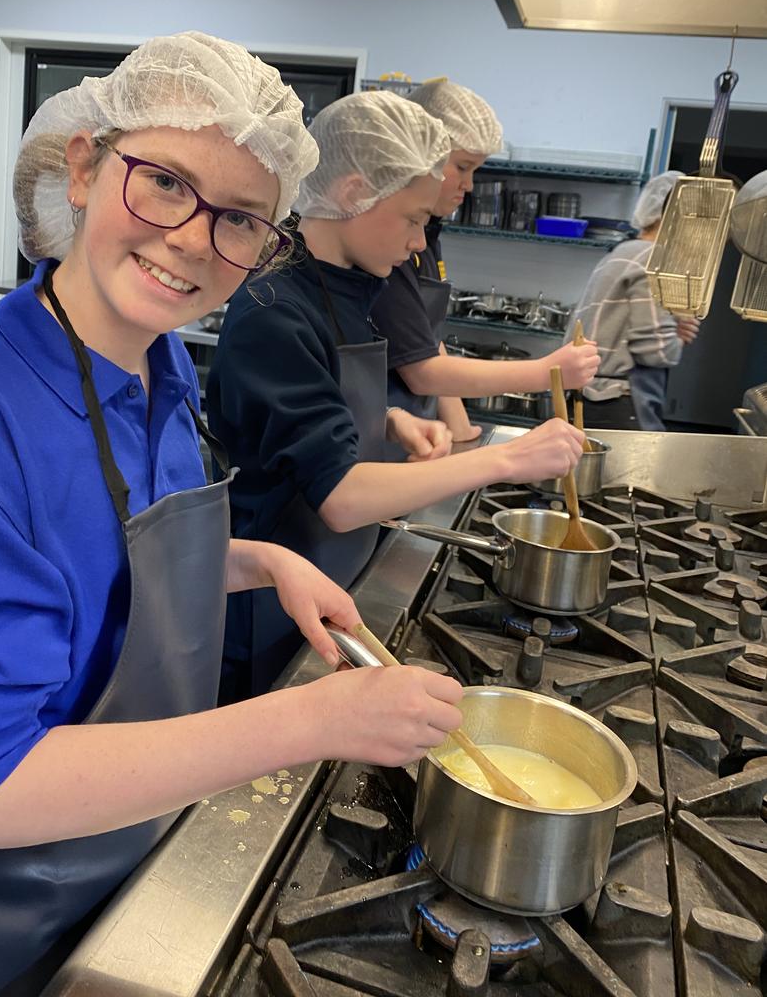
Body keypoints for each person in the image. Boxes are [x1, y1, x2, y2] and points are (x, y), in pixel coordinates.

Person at [0, 34, 472, 997]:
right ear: (83, 168)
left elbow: (99, 563)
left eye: (240, 220)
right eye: (164, 183)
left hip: (116, 864)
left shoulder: (161, 364)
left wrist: (258, 560)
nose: (193, 239)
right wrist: (313, 719)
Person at [207, 89, 586, 700]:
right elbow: (339, 498)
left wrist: (384, 420)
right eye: (413, 219)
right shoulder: (274, 309)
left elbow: (304, 413)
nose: (419, 243)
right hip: (271, 607)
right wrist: (507, 459)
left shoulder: (348, 286)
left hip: (335, 574)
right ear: (354, 193)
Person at [371, 79, 599, 444]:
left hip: (418, 437)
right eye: (462, 167)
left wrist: (462, 431)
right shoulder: (388, 244)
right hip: (382, 440)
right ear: (420, 155)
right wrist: (547, 371)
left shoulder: (426, 235)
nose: (470, 185)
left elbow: (426, 340)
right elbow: (422, 372)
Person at [566, 169, 699, 430]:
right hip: (617, 400)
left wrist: (671, 327)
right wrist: (678, 338)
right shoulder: (654, 257)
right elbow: (655, 352)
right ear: (676, 215)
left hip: (588, 395)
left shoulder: (622, 252)